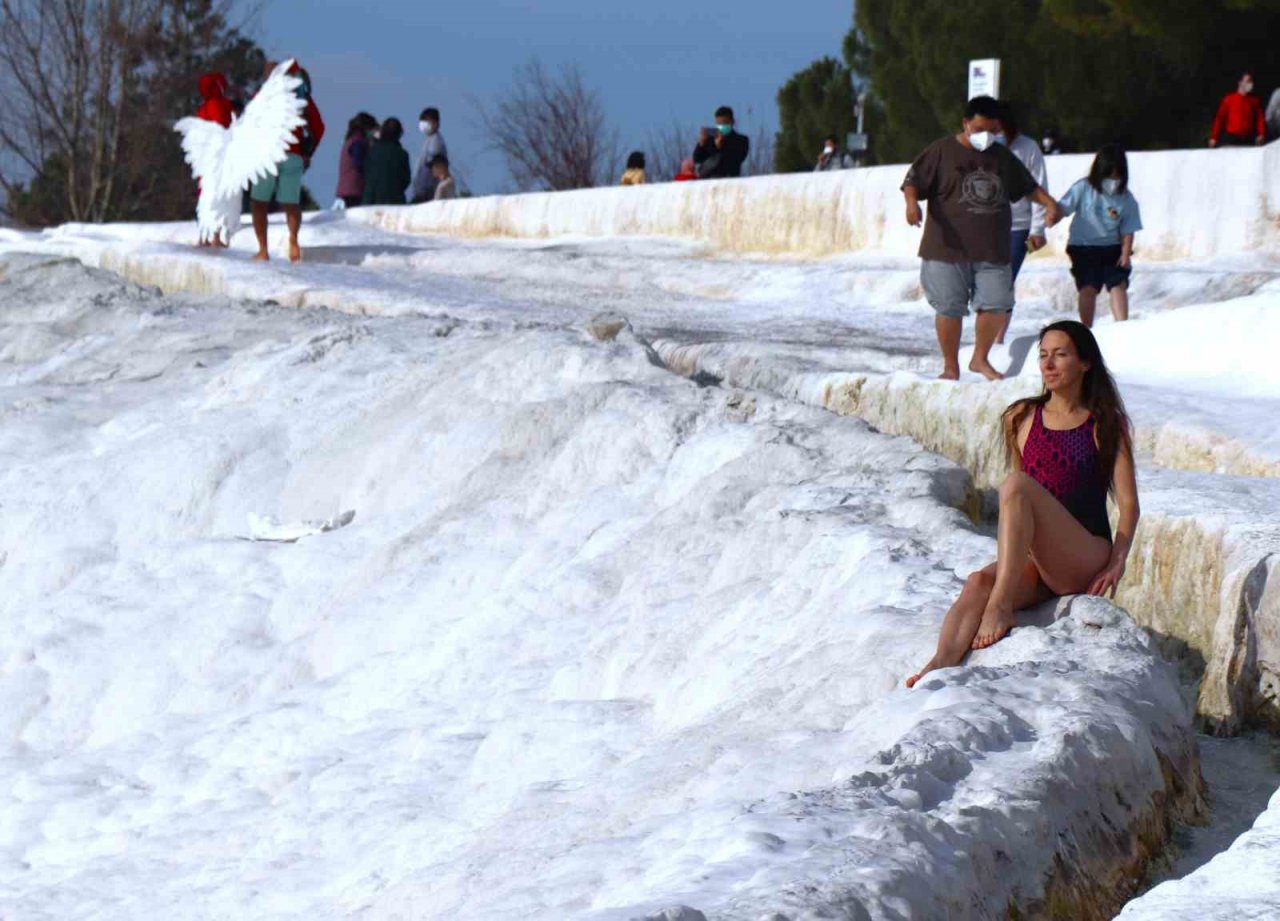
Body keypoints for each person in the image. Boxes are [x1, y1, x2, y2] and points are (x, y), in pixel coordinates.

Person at [906, 320, 1139, 686]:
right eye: (1043, 355)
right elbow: (1022, 507)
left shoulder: (1106, 423)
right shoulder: (1023, 416)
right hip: (1041, 559)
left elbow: (1128, 504)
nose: (1048, 364)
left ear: (1085, 363)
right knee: (978, 582)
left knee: (1015, 485)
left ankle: (1000, 608)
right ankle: (938, 669)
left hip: (1084, 554)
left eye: (1060, 355)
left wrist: (1117, 561)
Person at [901, 96, 1061, 381]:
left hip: (992, 247)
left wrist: (1050, 204)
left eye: (992, 130)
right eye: (978, 129)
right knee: (950, 306)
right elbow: (913, 181)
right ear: (965, 123)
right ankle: (951, 366)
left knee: (997, 304)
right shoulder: (941, 150)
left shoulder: (1001, 156)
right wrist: (912, 205)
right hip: (946, 247)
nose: (985, 136)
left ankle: (980, 358)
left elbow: (1027, 186)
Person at [1057, 144, 1142, 327]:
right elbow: (1063, 207)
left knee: (1118, 284)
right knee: (1088, 286)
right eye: (1108, 175)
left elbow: (1129, 229)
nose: (1112, 180)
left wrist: (1125, 253)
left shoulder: (1126, 199)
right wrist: (1049, 218)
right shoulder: (1083, 188)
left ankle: (1122, 327)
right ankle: (1086, 328)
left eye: (1117, 176)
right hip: (1083, 246)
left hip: (1113, 247)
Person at [250, 60, 324, 263]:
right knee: (291, 203)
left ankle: (263, 250)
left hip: (268, 156)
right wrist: (308, 151)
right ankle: (293, 241)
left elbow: (249, 124)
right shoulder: (301, 95)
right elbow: (319, 128)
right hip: (293, 155)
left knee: (259, 203)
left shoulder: (264, 96)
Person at [995, 103, 1049, 344]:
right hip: (985, 225)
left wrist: (1037, 229)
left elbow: (1039, 188)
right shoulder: (980, 147)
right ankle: (985, 339)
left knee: (1004, 281)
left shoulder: (1028, 148)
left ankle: (996, 340)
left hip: (1018, 225)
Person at [194, 72, 235, 247]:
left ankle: (204, 236)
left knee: (205, 195)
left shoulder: (204, 108)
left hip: (204, 157)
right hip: (218, 158)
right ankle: (216, 236)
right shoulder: (222, 106)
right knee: (218, 196)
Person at [361, 117, 411, 206]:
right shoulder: (402, 154)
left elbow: (365, 174)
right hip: (396, 201)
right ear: (399, 134)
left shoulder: (372, 152)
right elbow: (406, 179)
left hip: (371, 201)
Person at [1209, 72, 1266, 147]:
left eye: (1251, 81)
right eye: (1248, 81)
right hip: (1231, 139)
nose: (1250, 84)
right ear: (1240, 83)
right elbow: (1219, 119)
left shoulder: (1254, 101)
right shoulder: (1229, 99)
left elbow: (1260, 119)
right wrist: (1214, 137)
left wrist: (1261, 134)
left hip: (1248, 139)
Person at [693, 106, 749, 179]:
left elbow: (736, 159)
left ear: (732, 122)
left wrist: (720, 147)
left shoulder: (741, 140)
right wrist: (701, 144)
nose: (721, 126)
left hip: (729, 180)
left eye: (724, 123)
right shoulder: (710, 139)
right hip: (708, 180)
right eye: (718, 123)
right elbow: (697, 159)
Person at [335, 112, 377, 208]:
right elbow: (358, 163)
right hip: (355, 188)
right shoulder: (358, 142)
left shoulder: (350, 140)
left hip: (346, 188)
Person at [410, 107, 448, 204]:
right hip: (421, 191)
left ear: (436, 123)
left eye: (427, 121)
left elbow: (434, 166)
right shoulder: (429, 140)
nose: (424, 125)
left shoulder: (436, 141)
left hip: (427, 191)